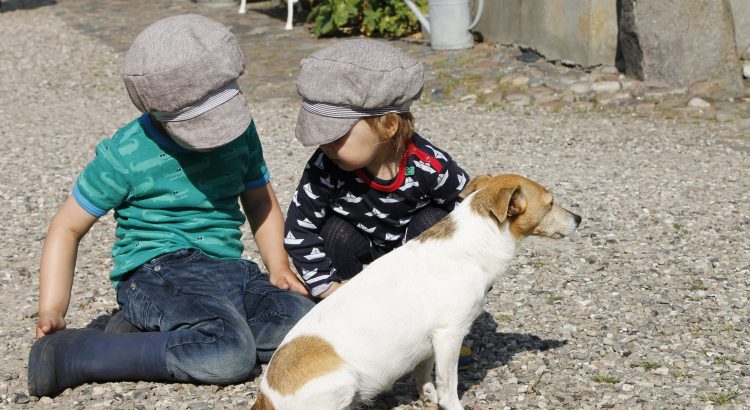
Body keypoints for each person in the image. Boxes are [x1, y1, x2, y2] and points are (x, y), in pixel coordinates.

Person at [28, 14, 313, 398]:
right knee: (228, 355)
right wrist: (52, 308)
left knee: (302, 324)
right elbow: (67, 227)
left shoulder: (241, 132)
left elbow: (259, 200)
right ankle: (77, 353)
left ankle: (142, 330)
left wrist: (278, 266)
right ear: (158, 112)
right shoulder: (126, 154)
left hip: (229, 270)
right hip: (156, 272)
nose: (216, 136)